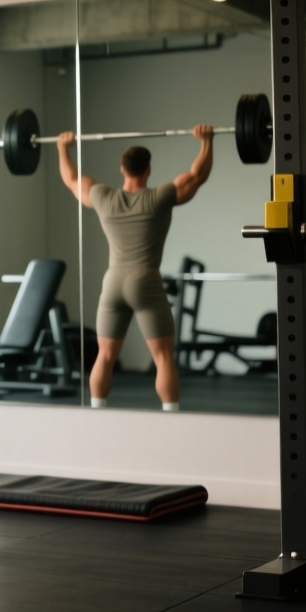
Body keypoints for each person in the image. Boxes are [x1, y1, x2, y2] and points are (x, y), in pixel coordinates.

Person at [57, 125, 213, 411]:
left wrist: (62, 147)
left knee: (104, 356)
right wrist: (206, 142)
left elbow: (71, 179)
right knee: (163, 358)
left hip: (113, 282)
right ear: (148, 170)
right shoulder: (160, 197)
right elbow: (197, 176)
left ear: (121, 168)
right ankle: (171, 417)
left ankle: (97, 411)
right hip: (145, 280)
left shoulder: (103, 196)